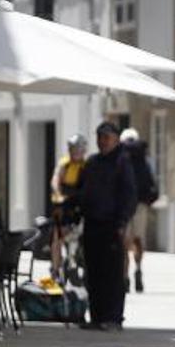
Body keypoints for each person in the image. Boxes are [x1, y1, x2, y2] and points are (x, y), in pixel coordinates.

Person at [78, 121, 137, 331]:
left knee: (112, 273)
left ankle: (113, 317)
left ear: (115, 139)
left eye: (106, 137)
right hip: (92, 225)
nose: (101, 141)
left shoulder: (122, 162)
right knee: (93, 273)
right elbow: (81, 191)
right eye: (99, 137)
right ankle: (96, 316)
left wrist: (122, 222)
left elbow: (129, 195)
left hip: (112, 226)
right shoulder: (92, 162)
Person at [121, 127, 158, 294]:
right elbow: (153, 182)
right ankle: (138, 269)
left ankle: (125, 277)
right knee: (138, 240)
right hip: (141, 205)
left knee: (125, 243)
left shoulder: (120, 156)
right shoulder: (145, 159)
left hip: (124, 205)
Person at [49, 135, 88, 283]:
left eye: (78, 149)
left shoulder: (87, 165)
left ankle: (84, 265)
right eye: (73, 149)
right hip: (64, 202)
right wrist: (57, 193)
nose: (75, 152)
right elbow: (55, 180)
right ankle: (55, 268)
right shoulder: (64, 164)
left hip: (81, 203)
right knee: (57, 236)